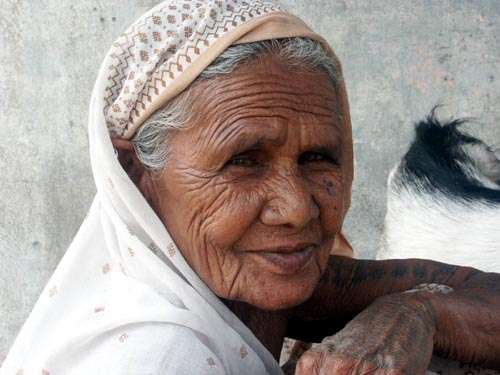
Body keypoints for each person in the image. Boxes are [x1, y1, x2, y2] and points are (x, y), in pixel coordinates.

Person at [2, 1, 500, 374]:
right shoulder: (160, 356)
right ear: (135, 175)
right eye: (243, 161)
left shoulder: (241, 285)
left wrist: (416, 311)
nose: (297, 209)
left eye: (318, 158)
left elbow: (481, 292)